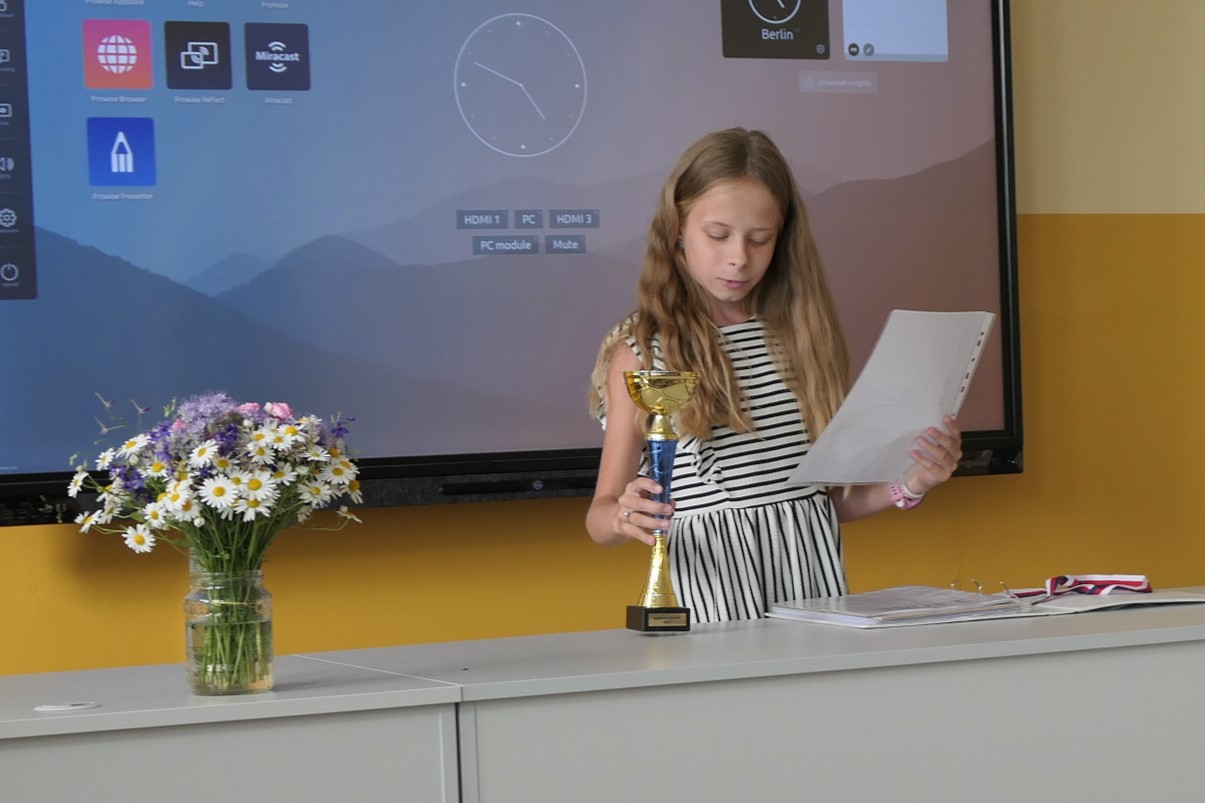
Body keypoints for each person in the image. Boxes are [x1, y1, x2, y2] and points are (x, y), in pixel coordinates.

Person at [586, 127, 962, 623]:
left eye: (759, 239)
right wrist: (622, 515)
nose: (738, 257)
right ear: (677, 227)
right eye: (717, 235)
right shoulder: (639, 352)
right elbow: (600, 517)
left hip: (815, 598)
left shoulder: (798, 336)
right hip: (716, 604)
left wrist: (911, 482)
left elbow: (817, 502)